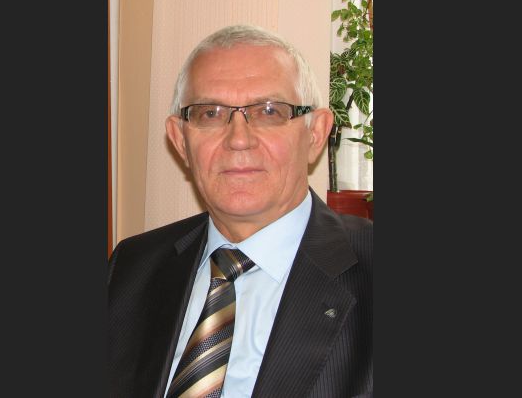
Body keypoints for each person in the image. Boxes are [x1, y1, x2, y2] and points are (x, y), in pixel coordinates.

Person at [108, 24, 372, 398]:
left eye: (269, 111)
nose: (238, 139)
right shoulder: (131, 268)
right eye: (210, 113)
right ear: (180, 140)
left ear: (316, 134)